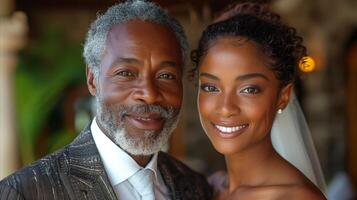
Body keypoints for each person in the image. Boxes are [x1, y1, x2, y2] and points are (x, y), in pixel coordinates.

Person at [0, 1, 212, 199]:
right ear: (93, 80)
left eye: (166, 76)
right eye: (126, 73)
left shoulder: (195, 187)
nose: (148, 93)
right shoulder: (25, 192)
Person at [191, 2, 326, 199]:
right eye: (211, 88)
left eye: (249, 89)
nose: (226, 108)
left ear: (283, 97)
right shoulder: (210, 187)